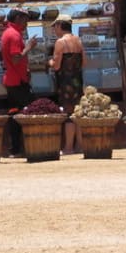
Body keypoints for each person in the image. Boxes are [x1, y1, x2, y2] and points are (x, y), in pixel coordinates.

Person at [1, 8, 38, 155]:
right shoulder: (14, 35)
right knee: (31, 111)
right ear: (17, 18)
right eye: (25, 19)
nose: (26, 23)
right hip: (18, 82)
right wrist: (28, 47)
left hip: (13, 80)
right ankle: (32, 146)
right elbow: (16, 59)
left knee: (15, 114)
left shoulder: (8, 33)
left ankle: (15, 148)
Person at [48, 15, 86, 154]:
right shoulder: (78, 40)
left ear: (59, 25)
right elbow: (84, 63)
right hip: (77, 81)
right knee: (78, 113)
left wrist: (50, 62)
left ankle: (69, 147)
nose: (54, 30)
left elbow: (56, 66)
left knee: (69, 113)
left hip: (65, 82)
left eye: (55, 27)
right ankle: (80, 146)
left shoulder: (60, 42)